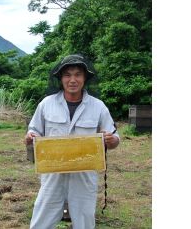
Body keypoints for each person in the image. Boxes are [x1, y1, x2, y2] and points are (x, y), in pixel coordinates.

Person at [25, 54, 120, 229]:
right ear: (61, 79)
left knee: (84, 221)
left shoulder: (98, 106)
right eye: (67, 75)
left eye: (78, 74)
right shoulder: (46, 104)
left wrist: (111, 139)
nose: (73, 80)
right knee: (41, 219)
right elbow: (34, 130)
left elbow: (114, 139)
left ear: (85, 78)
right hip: (53, 174)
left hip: (84, 176)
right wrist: (30, 136)